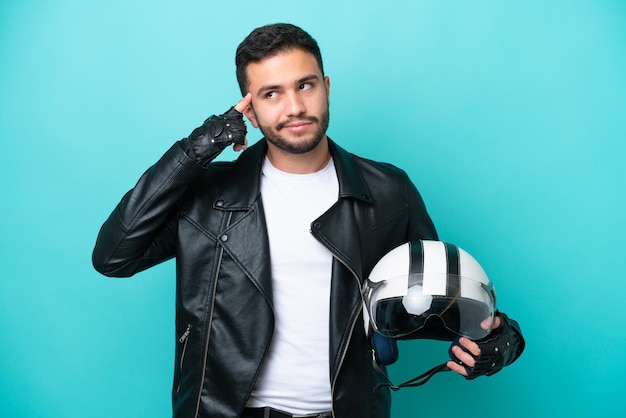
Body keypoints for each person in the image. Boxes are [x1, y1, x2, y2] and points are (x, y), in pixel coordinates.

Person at [93, 23, 523, 418]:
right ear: (250, 110)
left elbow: (434, 300)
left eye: (305, 85)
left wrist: (499, 341)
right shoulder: (208, 196)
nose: (295, 107)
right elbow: (113, 256)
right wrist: (199, 147)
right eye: (271, 93)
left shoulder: (389, 191)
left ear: (327, 87)